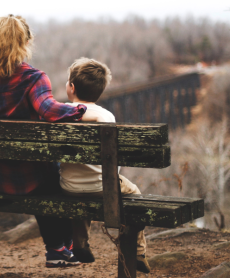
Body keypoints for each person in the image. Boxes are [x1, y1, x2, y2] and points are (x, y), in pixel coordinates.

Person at [0, 15, 102, 267]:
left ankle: (60, 249)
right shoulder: (33, 78)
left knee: (47, 174)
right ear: (25, 43)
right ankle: (60, 248)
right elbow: (49, 110)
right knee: (59, 176)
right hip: (32, 179)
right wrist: (80, 110)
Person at [59, 57, 151, 273]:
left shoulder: (60, 113)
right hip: (103, 187)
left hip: (68, 187)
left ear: (71, 87)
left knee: (80, 187)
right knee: (134, 193)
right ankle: (138, 251)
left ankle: (80, 244)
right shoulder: (106, 116)